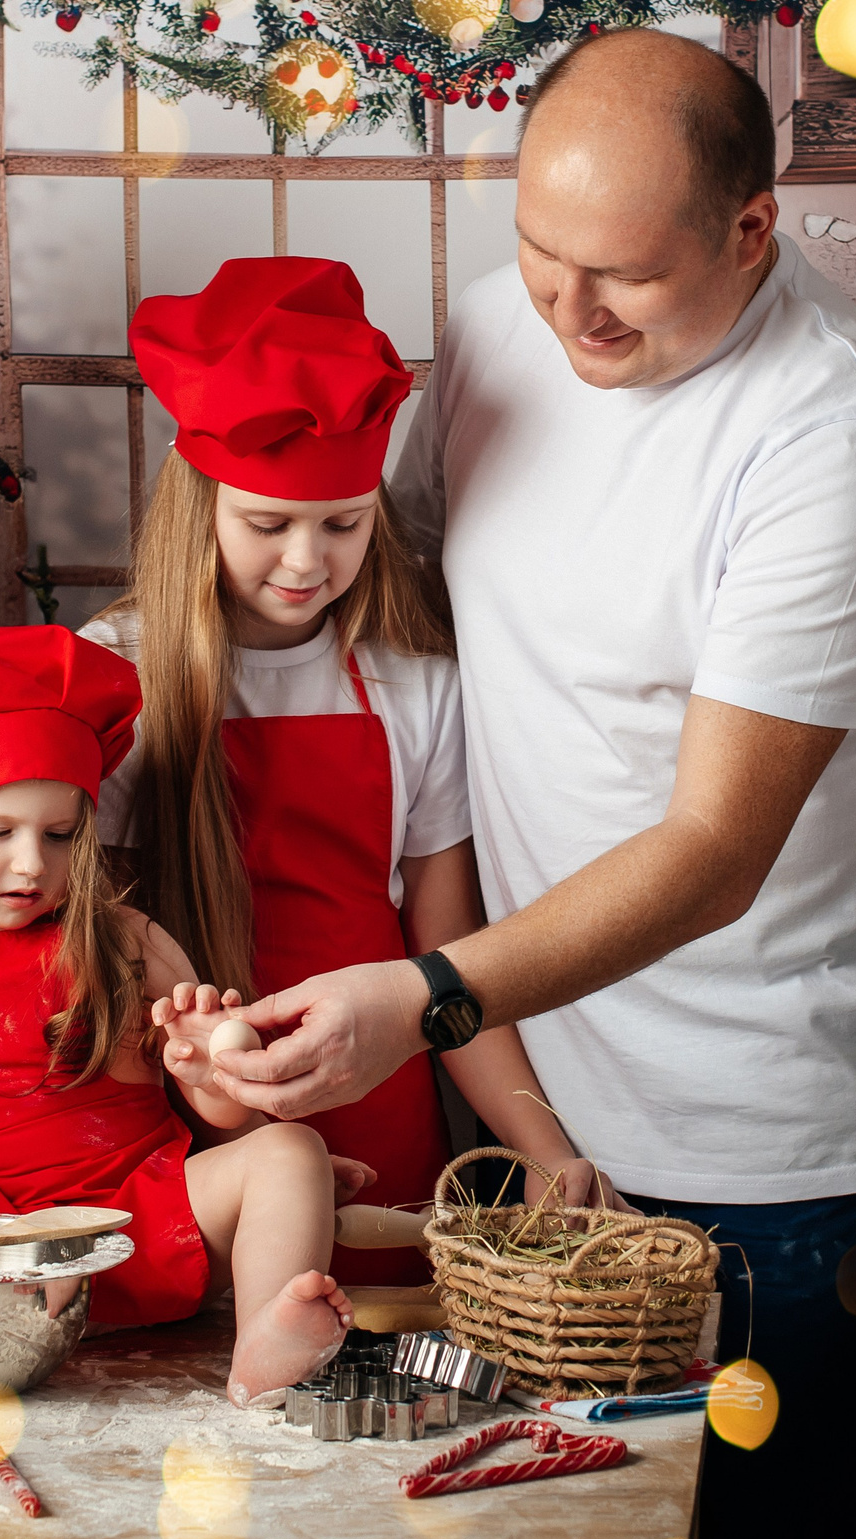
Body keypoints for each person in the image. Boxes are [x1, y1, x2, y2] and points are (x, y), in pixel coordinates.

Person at [202, 28, 856, 1539]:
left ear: (752, 230)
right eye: (539, 250)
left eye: (618, 273)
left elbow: (711, 849)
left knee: (757, 1534)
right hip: (516, 1095)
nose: (569, 307)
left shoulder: (840, 438)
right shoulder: (502, 332)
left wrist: (420, 996)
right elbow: (398, 615)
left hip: (757, 1125)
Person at [78, 258, 602, 1281]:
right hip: (186, 1117)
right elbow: (94, 944)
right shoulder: (114, 677)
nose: (307, 561)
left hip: (386, 1112)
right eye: (267, 526)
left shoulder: (415, 683)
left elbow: (447, 952)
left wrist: (546, 1149)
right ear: (201, 510)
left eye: (344, 523)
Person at [0, 624, 355, 1402]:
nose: (32, 863)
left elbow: (235, 1132)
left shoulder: (126, 942)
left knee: (291, 1150)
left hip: (136, 1232)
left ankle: (264, 1339)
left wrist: (206, 1069)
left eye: (59, 836)